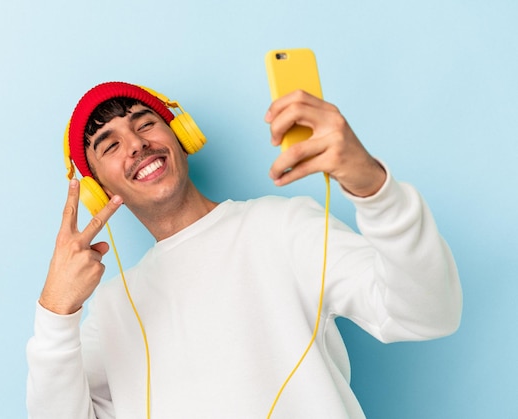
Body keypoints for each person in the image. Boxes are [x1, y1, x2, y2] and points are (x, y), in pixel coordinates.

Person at [26, 81, 462, 418]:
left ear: (182, 136)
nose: (137, 144)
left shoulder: (281, 225)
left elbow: (427, 313)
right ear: (97, 189)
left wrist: (374, 189)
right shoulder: (116, 306)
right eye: (111, 144)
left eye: (144, 124)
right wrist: (55, 312)